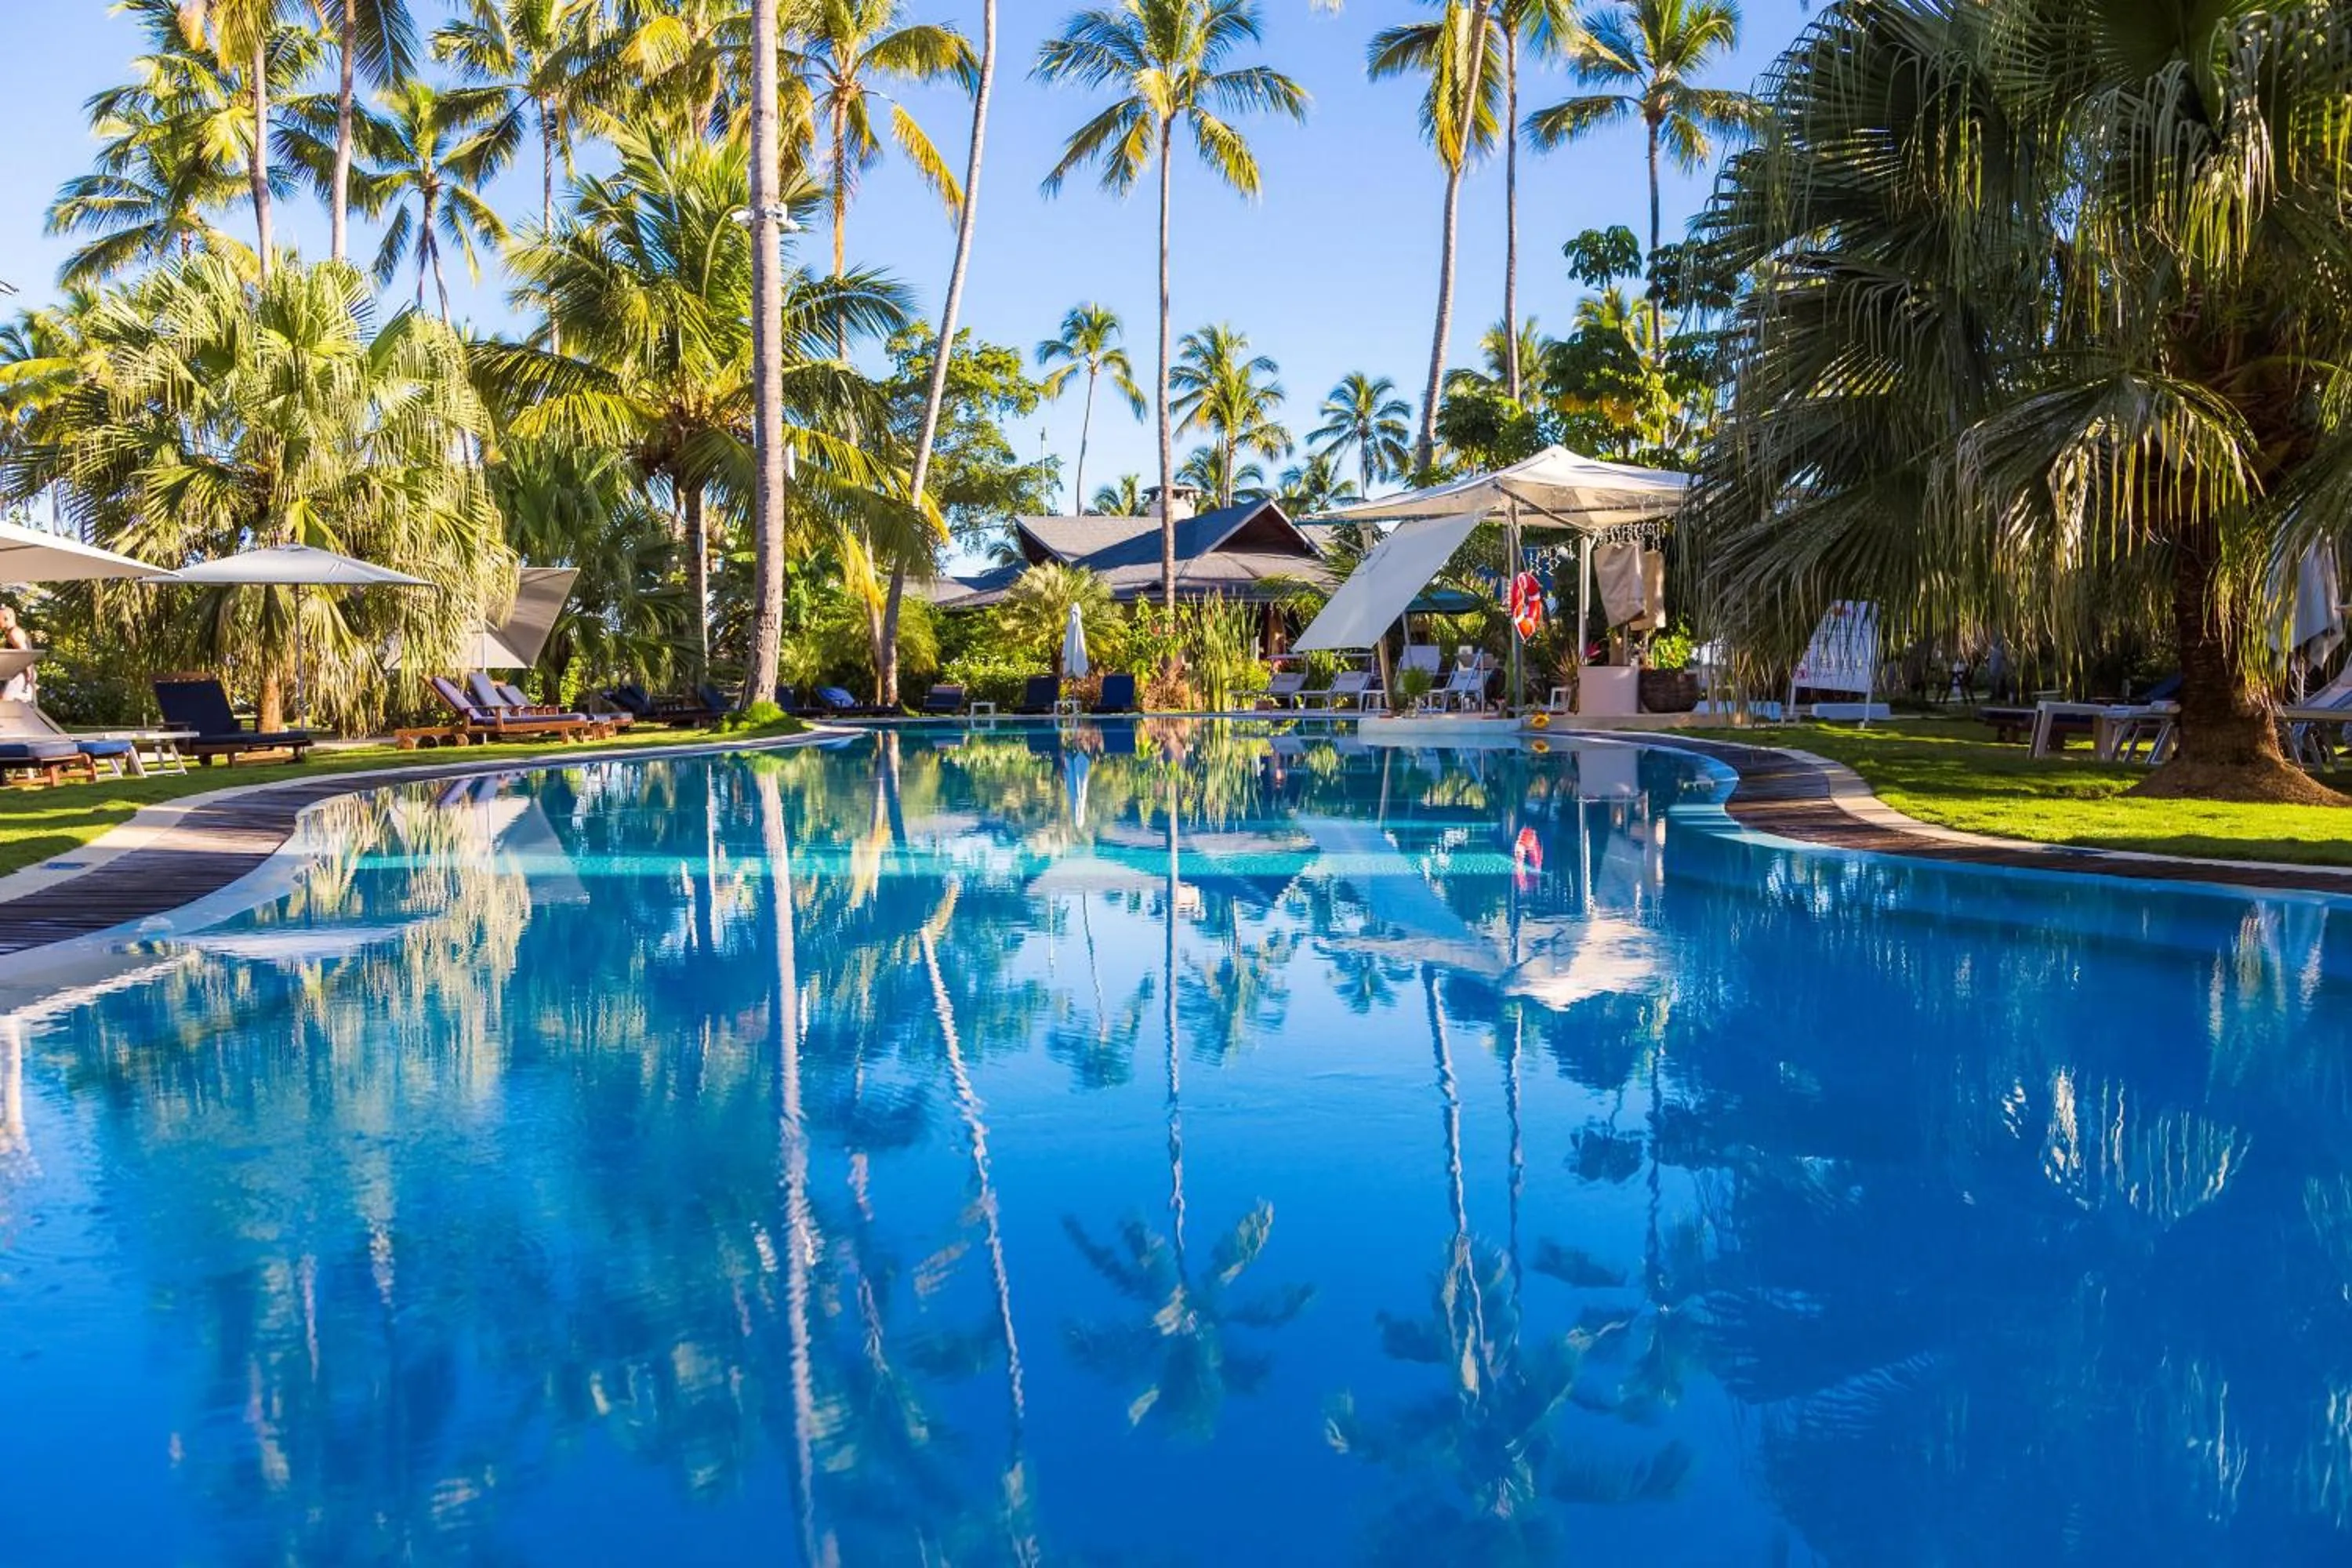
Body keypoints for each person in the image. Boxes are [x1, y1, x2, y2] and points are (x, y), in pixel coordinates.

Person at [0, 604, 34, 703]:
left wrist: (30, 677)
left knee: (4, 704)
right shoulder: (13, 632)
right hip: (17, 676)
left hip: (20, 677)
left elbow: (25, 656)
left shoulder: (14, 634)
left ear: (7, 617)